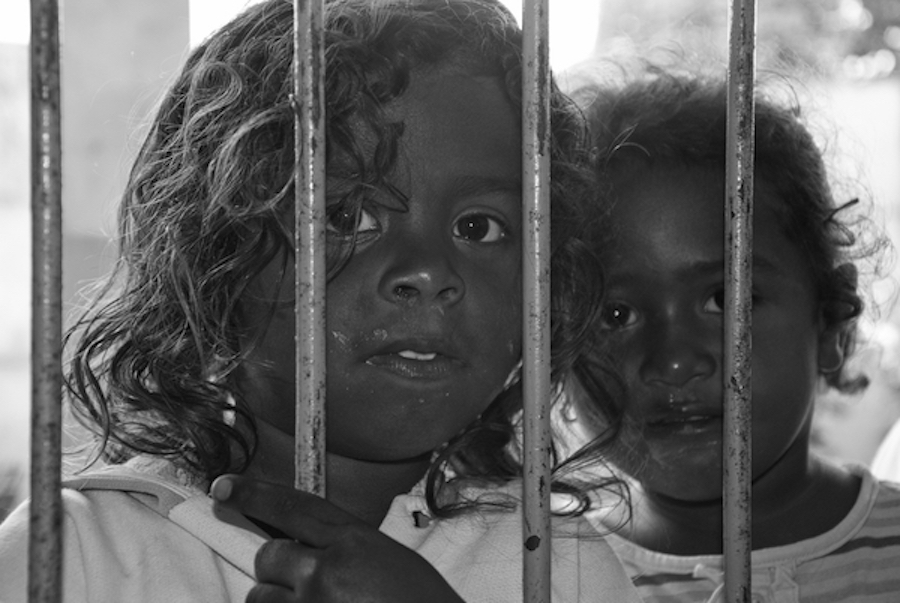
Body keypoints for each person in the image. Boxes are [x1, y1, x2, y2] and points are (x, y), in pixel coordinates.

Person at [0, 1, 641, 602]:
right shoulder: (71, 553)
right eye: (345, 214)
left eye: (479, 228)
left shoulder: (560, 563)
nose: (426, 273)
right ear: (213, 262)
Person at [569, 65, 900, 602]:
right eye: (615, 315)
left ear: (832, 323)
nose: (673, 363)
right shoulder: (547, 572)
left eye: (723, 300)